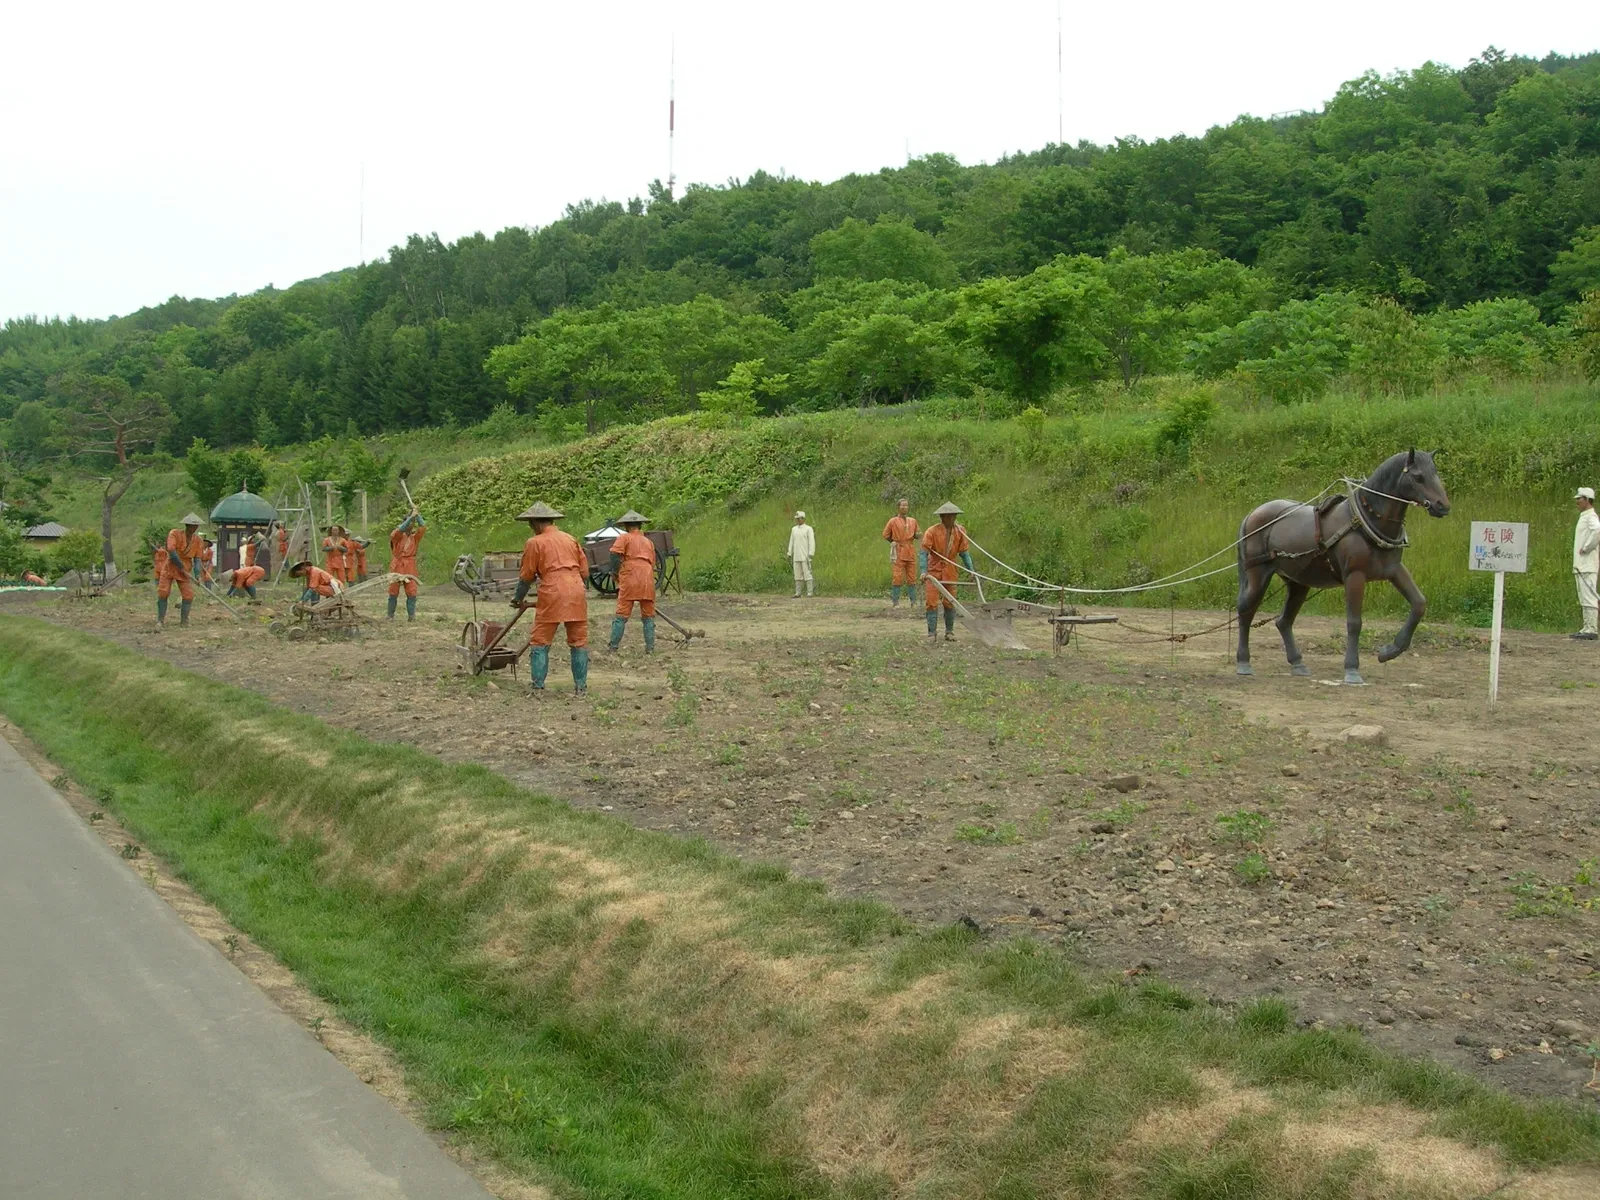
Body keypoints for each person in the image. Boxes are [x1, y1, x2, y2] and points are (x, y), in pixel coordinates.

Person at [511, 501, 589, 694]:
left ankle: (538, 686)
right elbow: (585, 572)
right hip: (576, 588)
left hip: (552, 590)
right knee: (578, 640)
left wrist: (517, 599)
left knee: (540, 640)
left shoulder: (535, 543)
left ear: (535, 523)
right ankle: (581, 687)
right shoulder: (570, 539)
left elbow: (526, 576)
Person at [920, 501, 975, 643]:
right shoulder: (932, 531)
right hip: (934, 570)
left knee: (950, 602)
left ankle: (949, 632)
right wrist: (923, 571)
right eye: (949, 516)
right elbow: (923, 552)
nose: (952, 519)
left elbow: (964, 553)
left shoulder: (960, 531)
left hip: (950, 570)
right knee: (931, 602)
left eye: (954, 516)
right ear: (942, 517)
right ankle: (932, 633)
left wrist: (971, 570)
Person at [607, 510, 658, 652]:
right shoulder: (649, 542)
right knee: (648, 615)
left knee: (622, 614)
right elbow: (652, 562)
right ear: (640, 525)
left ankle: (613, 646)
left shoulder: (624, 538)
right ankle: (650, 648)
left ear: (626, 526)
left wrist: (614, 572)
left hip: (630, 577)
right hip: (647, 578)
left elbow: (614, 555)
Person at [157, 513, 206, 627]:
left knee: (188, 595)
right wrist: (180, 566)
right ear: (186, 525)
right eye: (191, 526)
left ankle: (184, 621)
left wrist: (197, 575)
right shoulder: (174, 534)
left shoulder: (198, 540)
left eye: (196, 526)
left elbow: (197, 559)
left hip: (186, 569)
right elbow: (171, 551)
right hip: (171, 566)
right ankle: (160, 620)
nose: (193, 528)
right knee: (163, 592)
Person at [387, 506, 426, 621]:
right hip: (397, 564)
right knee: (393, 591)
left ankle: (411, 616)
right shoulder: (397, 535)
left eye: (412, 524)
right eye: (409, 523)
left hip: (410, 565)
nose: (411, 525)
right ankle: (390, 615)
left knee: (411, 591)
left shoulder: (415, 537)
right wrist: (411, 517)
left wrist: (417, 515)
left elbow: (423, 526)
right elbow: (400, 529)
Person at [882, 498, 920, 608]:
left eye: (906, 506)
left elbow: (917, 533)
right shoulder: (893, 521)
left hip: (910, 550)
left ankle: (913, 602)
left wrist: (918, 535)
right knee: (897, 576)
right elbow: (885, 533)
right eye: (902, 506)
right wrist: (892, 541)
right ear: (898, 507)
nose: (904, 508)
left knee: (912, 577)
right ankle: (895, 602)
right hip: (899, 550)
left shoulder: (913, 521)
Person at [1574, 487, 1600, 640]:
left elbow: (1598, 531)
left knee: (1589, 595)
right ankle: (1587, 626)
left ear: (1587, 500)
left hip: (1587, 564)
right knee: (1583, 595)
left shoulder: (1591, 516)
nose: (1577, 501)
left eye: (1579, 499)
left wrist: (1586, 547)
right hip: (1582, 565)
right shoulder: (1585, 516)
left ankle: (1591, 628)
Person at [787, 510, 816, 598]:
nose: (798, 520)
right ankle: (798, 592)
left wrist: (811, 552)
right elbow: (791, 541)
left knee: (807, 573)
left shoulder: (808, 529)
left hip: (805, 555)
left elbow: (811, 541)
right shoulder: (794, 529)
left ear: (803, 519)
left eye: (799, 519)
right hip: (796, 555)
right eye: (797, 519)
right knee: (797, 574)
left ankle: (810, 592)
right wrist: (789, 552)